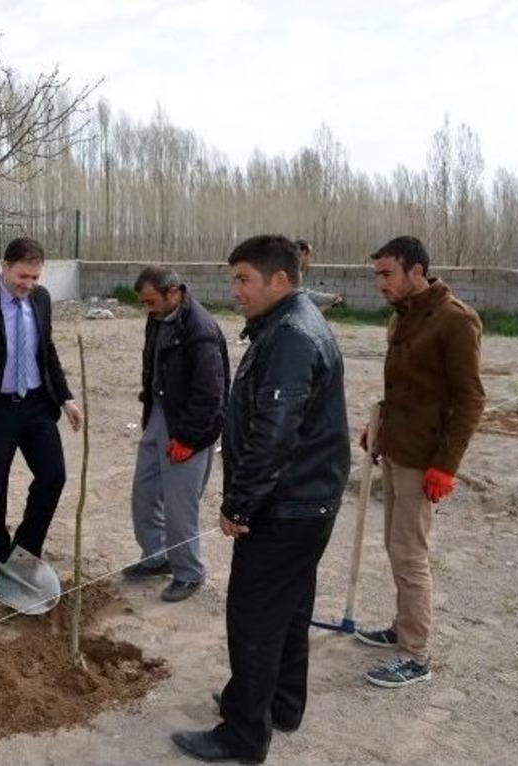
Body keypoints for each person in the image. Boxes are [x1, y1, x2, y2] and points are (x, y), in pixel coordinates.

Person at [172, 234, 350, 764]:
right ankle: (282, 704)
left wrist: (239, 505)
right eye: (234, 280)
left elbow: (275, 431)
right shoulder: (290, 325)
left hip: (287, 506)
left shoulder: (292, 335)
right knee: (291, 608)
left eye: (244, 279)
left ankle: (243, 733)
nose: (235, 291)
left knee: (253, 615)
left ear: (279, 280)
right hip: (308, 501)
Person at [355, 235, 485, 688]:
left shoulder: (454, 321)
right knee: (396, 545)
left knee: (410, 553)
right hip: (397, 449)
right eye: (377, 275)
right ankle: (402, 627)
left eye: (386, 274)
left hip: (424, 459)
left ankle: (415, 655)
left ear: (416, 271)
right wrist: (379, 428)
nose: (379, 284)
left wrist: (446, 466)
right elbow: (408, 390)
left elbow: (470, 399)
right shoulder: (404, 317)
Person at [0, 236, 83, 597]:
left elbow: (46, 350)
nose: (29, 284)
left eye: (35, 277)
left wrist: (66, 397)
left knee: (53, 476)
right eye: (22, 276)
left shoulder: (41, 299)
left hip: (37, 404)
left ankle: (23, 557)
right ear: (4, 266)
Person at [122, 266, 229, 602]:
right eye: (143, 303)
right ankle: (157, 557)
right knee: (144, 493)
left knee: (180, 508)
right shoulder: (158, 318)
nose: (147, 309)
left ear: (173, 293)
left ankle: (189, 573)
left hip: (187, 426)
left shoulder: (200, 330)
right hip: (159, 414)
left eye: (151, 301)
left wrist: (189, 439)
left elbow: (210, 395)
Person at [295, 239, 343, 310]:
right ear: (304, 253)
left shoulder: (294, 270)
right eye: (310, 255)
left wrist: (332, 297)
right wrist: (332, 298)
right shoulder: (294, 273)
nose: (310, 260)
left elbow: (304, 293)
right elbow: (306, 295)